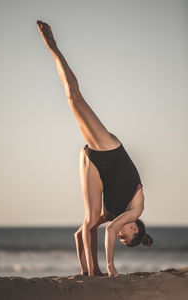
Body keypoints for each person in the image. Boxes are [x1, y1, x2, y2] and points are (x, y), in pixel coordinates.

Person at [36, 20, 153, 278]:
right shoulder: (136, 211)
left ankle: (91, 272)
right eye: (125, 238)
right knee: (73, 96)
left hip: (92, 161)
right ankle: (52, 46)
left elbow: (81, 232)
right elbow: (110, 232)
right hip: (109, 149)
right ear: (133, 228)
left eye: (121, 240)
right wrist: (111, 267)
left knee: (89, 221)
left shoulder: (113, 215)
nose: (120, 234)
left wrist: (88, 271)